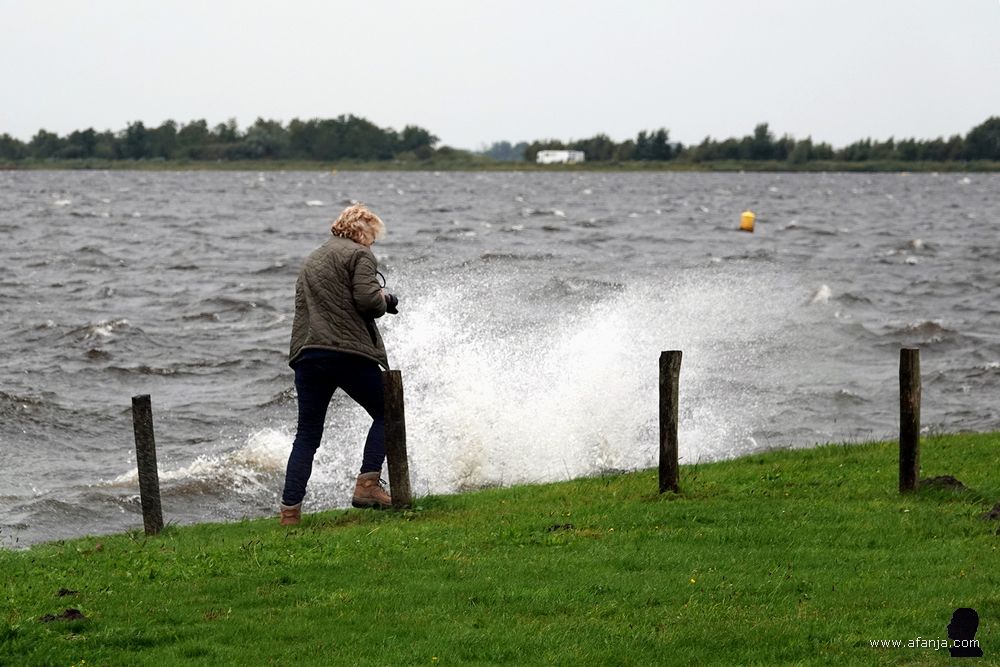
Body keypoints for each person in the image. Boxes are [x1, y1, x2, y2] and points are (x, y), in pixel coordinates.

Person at [279, 203, 400, 526]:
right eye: (372, 236)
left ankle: (290, 512)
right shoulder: (359, 255)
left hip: (308, 354)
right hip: (344, 351)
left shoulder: (313, 258)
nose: (372, 243)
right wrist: (386, 300)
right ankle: (368, 485)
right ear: (362, 231)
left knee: (306, 435)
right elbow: (367, 302)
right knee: (388, 412)